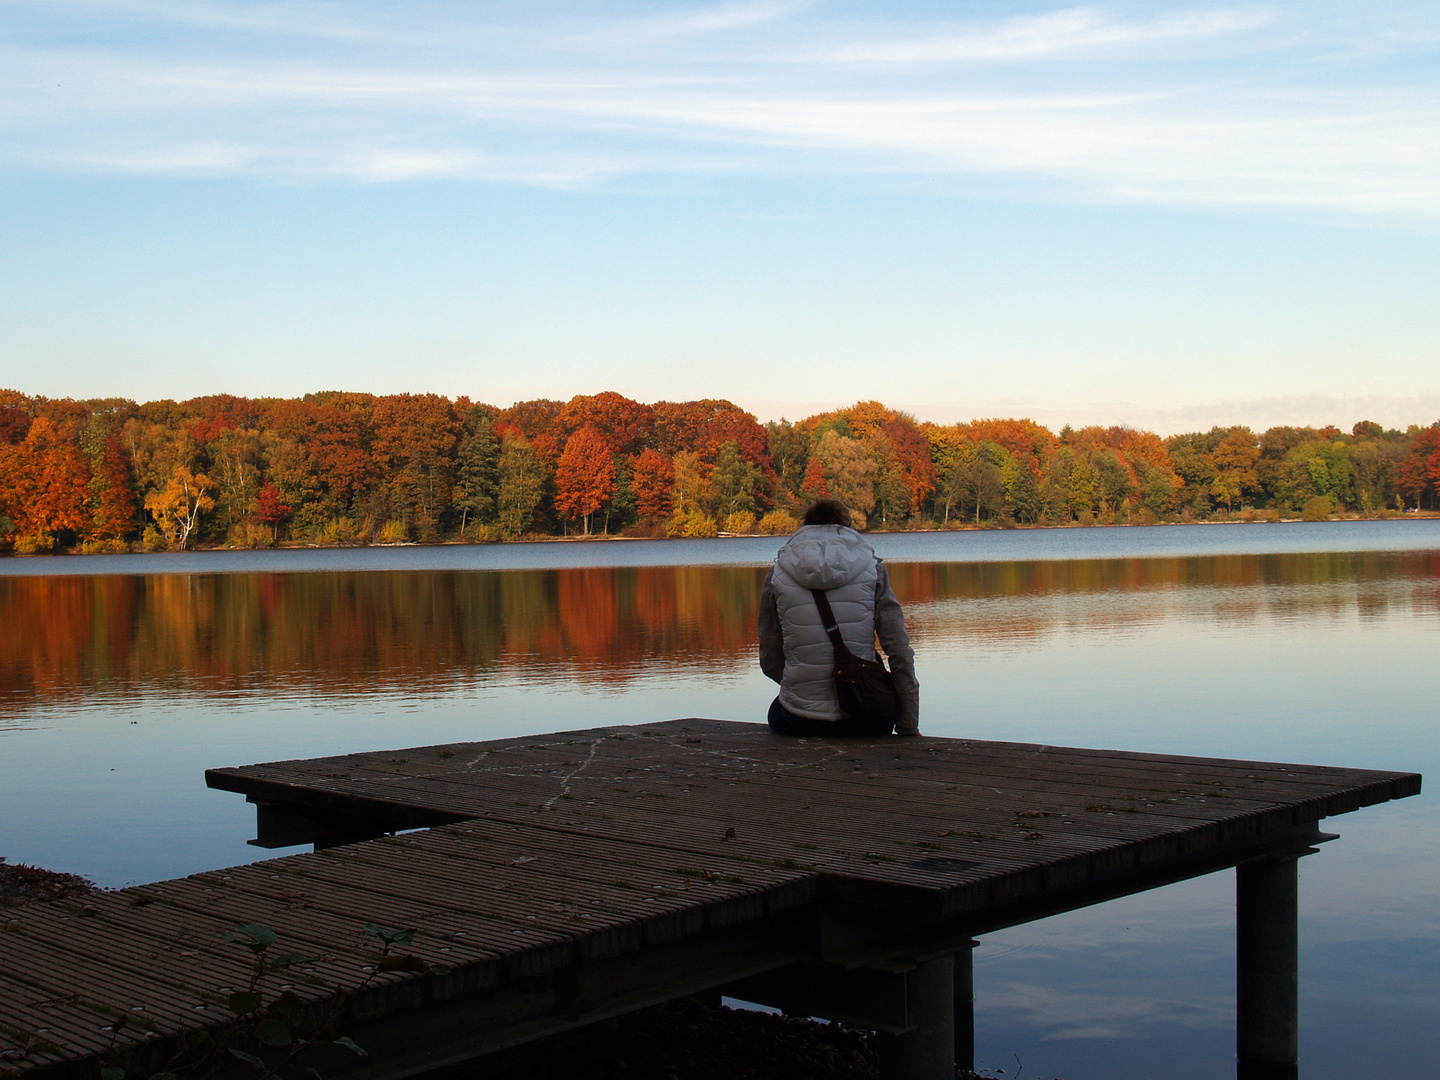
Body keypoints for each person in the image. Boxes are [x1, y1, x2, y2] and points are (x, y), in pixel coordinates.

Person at [758, 499, 920, 736]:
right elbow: (899, 651)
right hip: (866, 717)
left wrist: (800, 686)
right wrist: (908, 724)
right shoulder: (872, 568)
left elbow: (770, 657)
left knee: (777, 710)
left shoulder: (778, 572)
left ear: (806, 525)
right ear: (847, 526)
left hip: (800, 718)